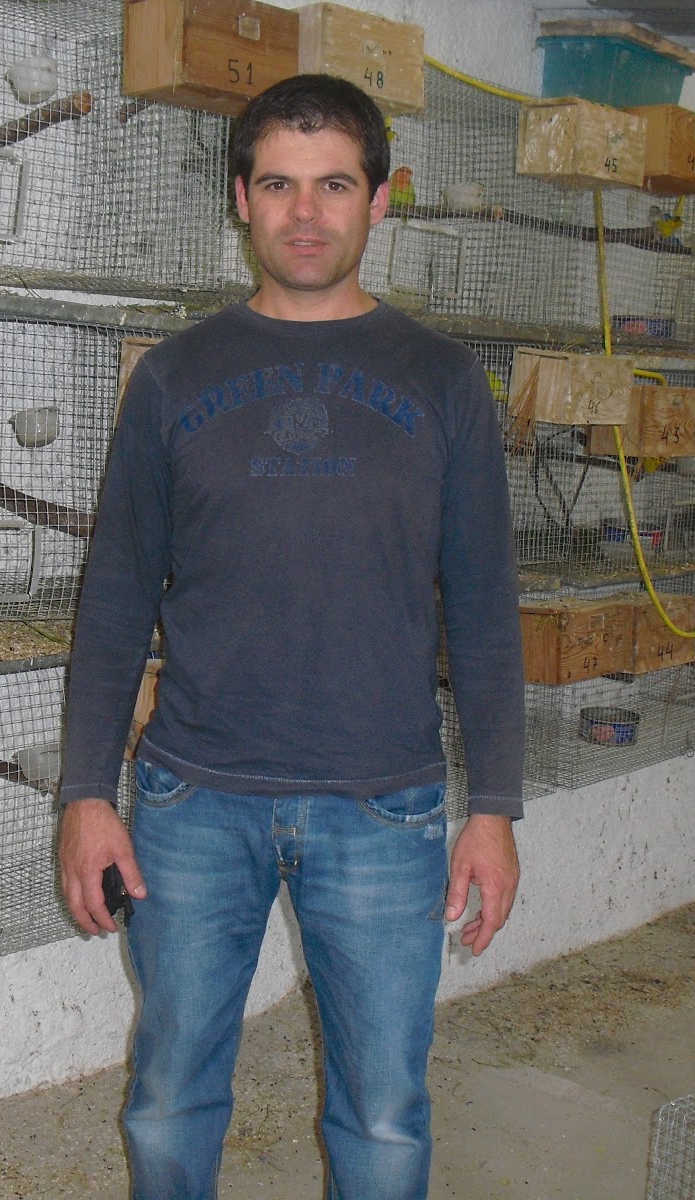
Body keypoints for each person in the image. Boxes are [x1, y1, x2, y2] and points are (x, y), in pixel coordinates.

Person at [57, 73, 525, 1200]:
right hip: (191, 805)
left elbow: (484, 605)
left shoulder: (444, 380)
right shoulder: (173, 378)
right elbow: (115, 597)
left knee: (384, 1115)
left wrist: (496, 809)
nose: (304, 213)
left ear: (381, 199)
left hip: (385, 806)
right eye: (278, 185)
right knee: (169, 1097)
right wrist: (84, 795)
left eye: (333, 185)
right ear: (240, 199)